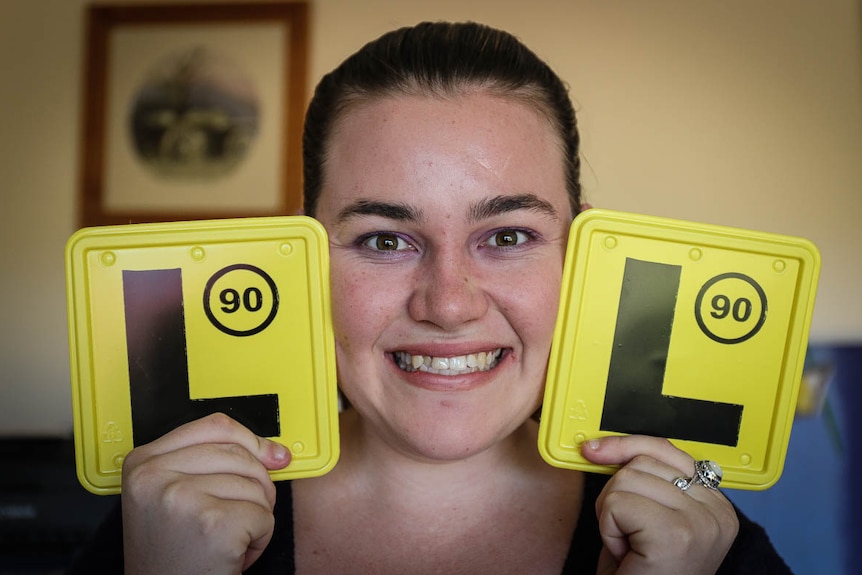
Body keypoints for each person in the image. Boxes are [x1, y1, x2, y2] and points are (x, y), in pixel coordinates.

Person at [69, 21, 791, 574]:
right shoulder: (162, 522)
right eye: (385, 239)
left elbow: (711, 478)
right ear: (302, 258)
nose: (448, 303)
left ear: (583, 251)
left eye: (507, 236)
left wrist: (706, 483)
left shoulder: (700, 536)